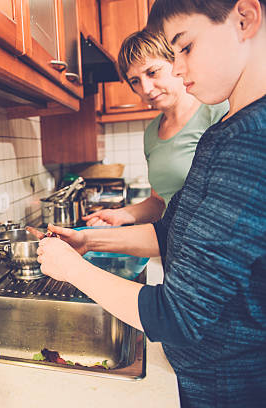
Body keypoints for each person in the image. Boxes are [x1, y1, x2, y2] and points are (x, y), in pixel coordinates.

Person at [33, 0, 266, 406]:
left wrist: (72, 269)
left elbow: (179, 315)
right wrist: (88, 242)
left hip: (229, 384)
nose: (175, 70)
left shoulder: (251, 142)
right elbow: (170, 231)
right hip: (202, 370)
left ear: (244, 19)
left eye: (186, 47)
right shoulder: (228, 132)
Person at [84, 30, 228, 227]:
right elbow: (159, 201)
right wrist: (122, 215)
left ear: (175, 63)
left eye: (152, 72)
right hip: (176, 247)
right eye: (135, 81)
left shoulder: (217, 111)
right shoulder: (152, 132)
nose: (146, 89)